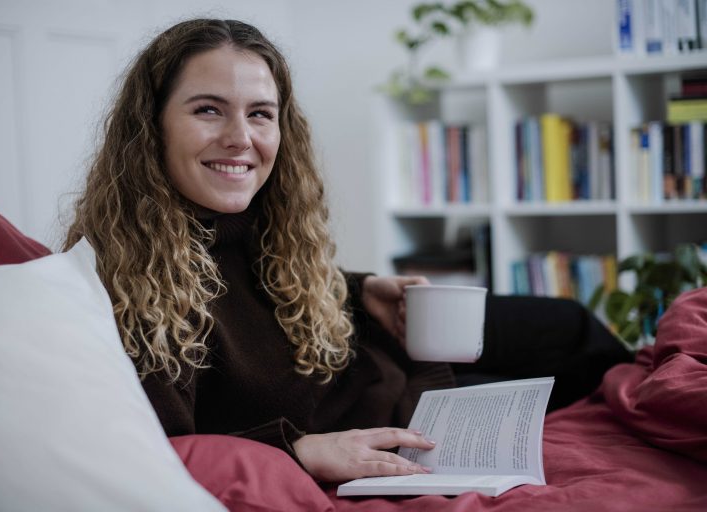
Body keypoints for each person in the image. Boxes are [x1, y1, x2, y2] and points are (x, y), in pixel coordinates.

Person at [64, 18, 631, 483]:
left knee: (570, 327)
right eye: (208, 109)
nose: (242, 137)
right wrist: (300, 449)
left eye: (261, 113)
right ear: (151, 126)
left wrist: (360, 289)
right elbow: (169, 454)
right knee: (571, 400)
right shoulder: (128, 283)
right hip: (391, 419)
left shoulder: (258, 215)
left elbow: (258, 286)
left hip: (381, 346)